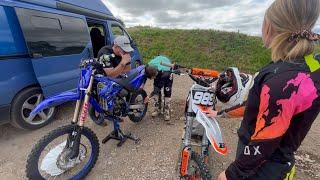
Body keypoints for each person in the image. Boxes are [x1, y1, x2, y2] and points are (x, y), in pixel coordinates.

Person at [218, 0, 320, 179]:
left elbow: (265, 141)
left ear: (270, 27)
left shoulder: (281, 79)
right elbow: (258, 108)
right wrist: (221, 114)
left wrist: (232, 174)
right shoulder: (309, 66)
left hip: (261, 169)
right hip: (281, 163)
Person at [145, 55, 174, 122]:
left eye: (153, 77)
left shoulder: (164, 74)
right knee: (156, 86)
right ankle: (157, 108)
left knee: (167, 91)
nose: (153, 79)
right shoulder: (149, 66)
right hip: (158, 70)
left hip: (167, 72)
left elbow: (157, 89)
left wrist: (148, 97)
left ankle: (167, 111)